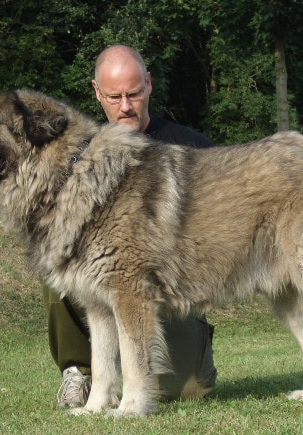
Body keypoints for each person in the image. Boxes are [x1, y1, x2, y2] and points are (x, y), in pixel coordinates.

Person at [46, 45, 218, 408]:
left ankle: (140, 374)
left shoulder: (194, 147)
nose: (126, 106)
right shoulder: (76, 154)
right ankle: (79, 370)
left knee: (188, 391)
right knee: (62, 255)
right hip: (103, 288)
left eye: (134, 93)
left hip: (177, 296)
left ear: (149, 85)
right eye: (114, 96)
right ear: (97, 92)